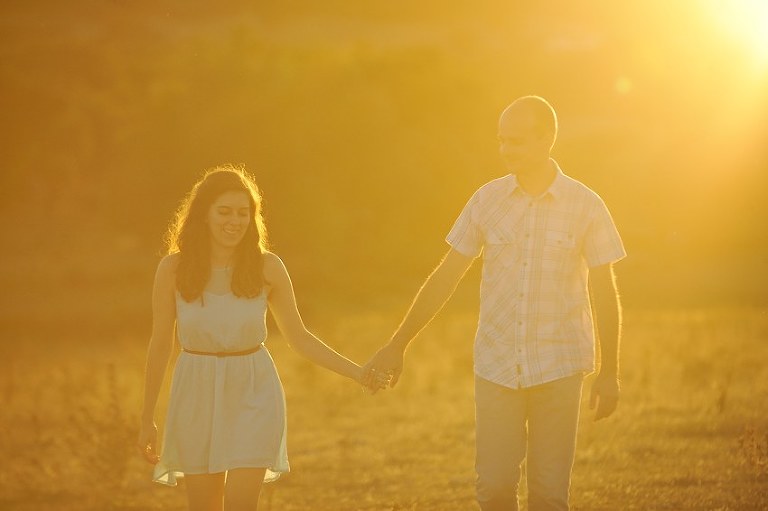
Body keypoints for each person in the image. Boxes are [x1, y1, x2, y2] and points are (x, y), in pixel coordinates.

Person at [363, 96, 626, 511]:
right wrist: (398, 344)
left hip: (560, 367)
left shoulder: (586, 205)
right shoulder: (486, 200)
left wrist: (609, 372)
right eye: (501, 140)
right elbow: (446, 276)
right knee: (495, 488)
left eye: (516, 141)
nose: (505, 150)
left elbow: (604, 291)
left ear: (547, 139)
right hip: (497, 366)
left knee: (549, 495)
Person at [137, 165, 387, 511]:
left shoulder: (267, 267)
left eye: (243, 213)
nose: (234, 221)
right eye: (224, 211)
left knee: (241, 504)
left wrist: (358, 372)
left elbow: (300, 337)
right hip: (195, 388)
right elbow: (161, 344)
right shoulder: (173, 269)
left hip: (253, 390)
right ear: (204, 215)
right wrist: (147, 416)